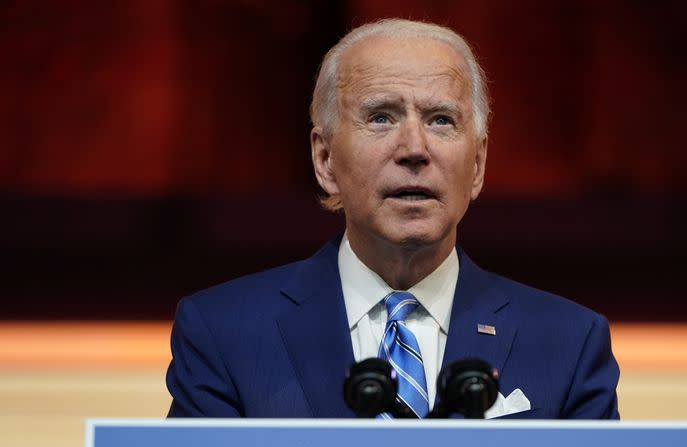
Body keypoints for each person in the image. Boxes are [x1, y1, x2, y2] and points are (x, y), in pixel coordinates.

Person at [166, 19, 619, 419]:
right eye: (381, 117)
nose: (415, 150)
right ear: (325, 160)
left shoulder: (569, 341)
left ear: (477, 164)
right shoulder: (225, 333)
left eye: (441, 120)